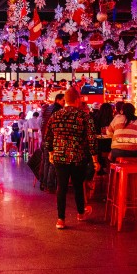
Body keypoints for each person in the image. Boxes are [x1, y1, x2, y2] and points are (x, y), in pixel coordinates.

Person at [44, 88, 100, 229]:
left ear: (65, 100)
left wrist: (51, 153)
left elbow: (48, 137)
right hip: (78, 156)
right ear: (77, 99)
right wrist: (95, 160)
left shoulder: (56, 115)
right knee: (78, 186)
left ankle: (60, 219)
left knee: (61, 187)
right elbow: (92, 139)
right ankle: (81, 213)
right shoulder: (84, 116)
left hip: (59, 156)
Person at [38, 93, 65, 192]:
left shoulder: (48, 108)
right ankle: (50, 185)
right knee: (53, 163)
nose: (64, 103)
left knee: (46, 162)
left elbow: (43, 124)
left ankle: (44, 184)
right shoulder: (58, 110)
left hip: (45, 138)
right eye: (63, 100)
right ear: (58, 100)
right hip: (53, 139)